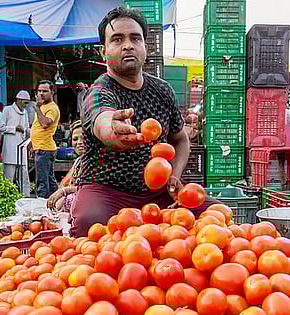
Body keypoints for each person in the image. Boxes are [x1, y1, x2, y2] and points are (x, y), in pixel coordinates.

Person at [69, 7, 219, 237]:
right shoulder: (98, 91)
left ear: (145, 47)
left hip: (157, 193)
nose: (127, 45)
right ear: (104, 51)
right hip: (107, 191)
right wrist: (112, 130)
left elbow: (180, 140)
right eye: (117, 39)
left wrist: (174, 177)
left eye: (135, 38)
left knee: (215, 216)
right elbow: (101, 117)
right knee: (90, 226)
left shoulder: (162, 90)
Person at [30, 80, 60, 198]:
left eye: (45, 91)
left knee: (42, 181)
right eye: (39, 91)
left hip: (45, 149)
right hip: (42, 148)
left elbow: (44, 124)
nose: (41, 94)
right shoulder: (44, 106)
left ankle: (42, 205)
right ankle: (55, 203)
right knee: (49, 179)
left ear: (52, 92)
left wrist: (37, 107)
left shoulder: (52, 108)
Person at [47, 120, 84, 212]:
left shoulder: (95, 162)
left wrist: (64, 191)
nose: (79, 142)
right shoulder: (78, 162)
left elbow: (90, 190)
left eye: (83, 138)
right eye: (75, 139)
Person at [0, 90, 30, 182]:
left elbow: (27, 128)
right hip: (10, 148)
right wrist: (14, 128)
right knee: (8, 177)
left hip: (22, 146)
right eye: (25, 102)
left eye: (27, 103)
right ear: (19, 100)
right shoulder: (7, 109)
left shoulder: (25, 112)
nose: (25, 105)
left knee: (24, 176)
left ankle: (25, 195)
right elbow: (1, 127)